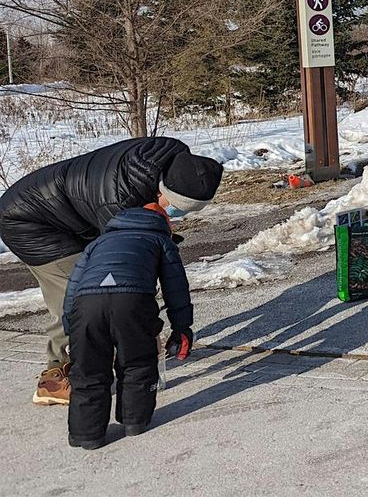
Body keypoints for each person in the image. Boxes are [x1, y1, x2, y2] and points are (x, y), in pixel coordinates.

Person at [0, 138, 222, 405]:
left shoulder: (174, 159)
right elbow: (127, 275)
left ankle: (105, 349)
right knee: (83, 295)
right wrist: (145, 327)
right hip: (30, 222)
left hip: (70, 213)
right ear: (161, 187)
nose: (173, 214)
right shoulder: (118, 200)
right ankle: (56, 376)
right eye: (172, 206)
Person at [62, 200, 194, 449]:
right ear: (164, 224)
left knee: (88, 369)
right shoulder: (160, 241)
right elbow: (176, 289)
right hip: (133, 301)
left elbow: (73, 286)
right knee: (137, 362)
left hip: (86, 305)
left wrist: (71, 325)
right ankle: (135, 421)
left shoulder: (97, 243)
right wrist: (182, 328)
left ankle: (86, 435)